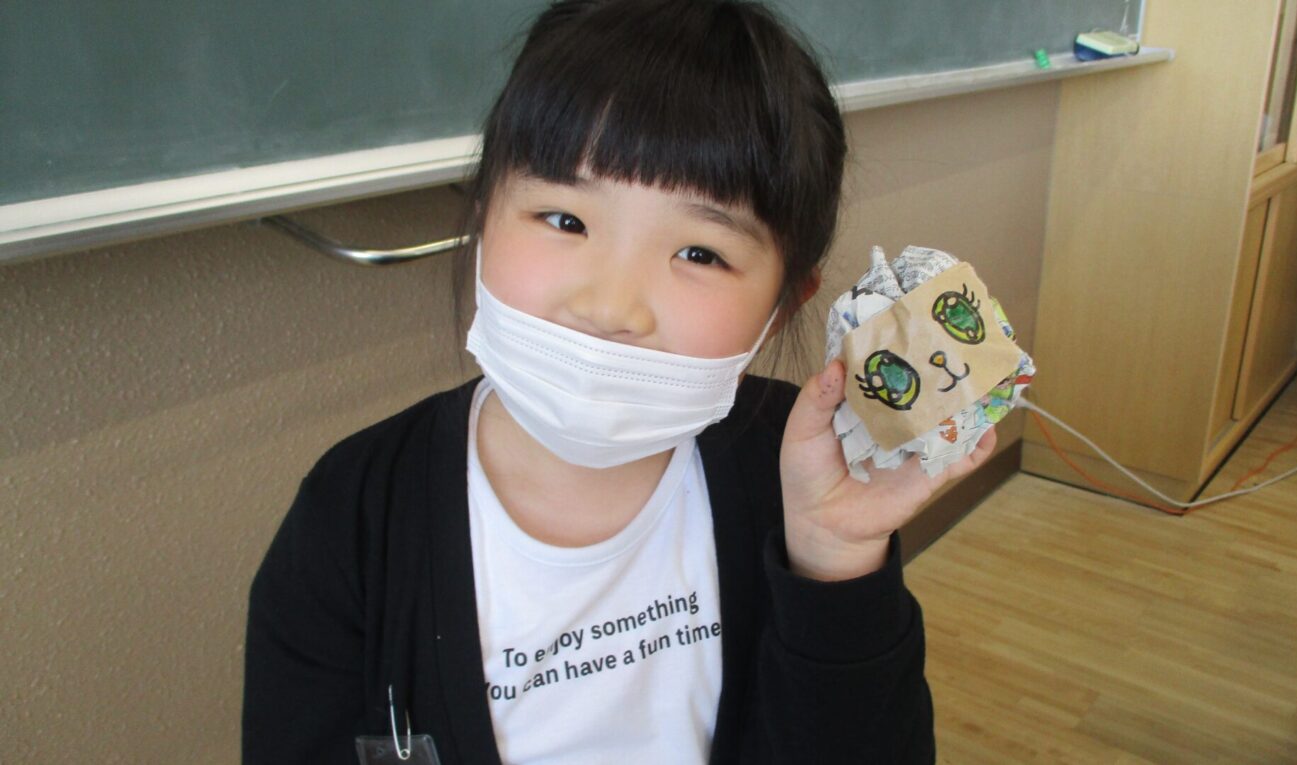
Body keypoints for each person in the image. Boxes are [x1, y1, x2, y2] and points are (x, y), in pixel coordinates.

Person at [242, 1, 996, 762]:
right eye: (564, 220)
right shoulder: (354, 515)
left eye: (700, 254)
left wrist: (832, 563)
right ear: (484, 213)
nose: (609, 307)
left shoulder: (796, 471)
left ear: (783, 306)